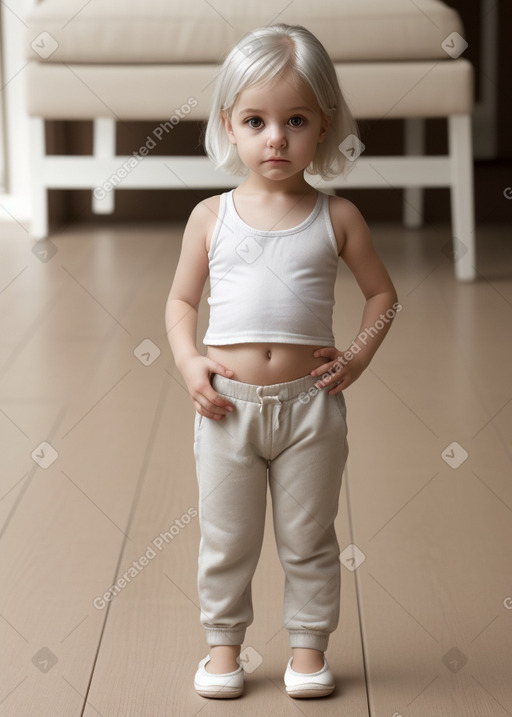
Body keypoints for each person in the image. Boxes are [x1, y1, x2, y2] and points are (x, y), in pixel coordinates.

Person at [165, 23, 399, 700]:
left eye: (296, 120)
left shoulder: (338, 217)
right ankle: (223, 649)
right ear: (228, 127)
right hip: (225, 408)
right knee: (226, 538)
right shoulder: (210, 217)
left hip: (310, 409)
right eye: (256, 120)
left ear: (323, 126)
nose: (276, 138)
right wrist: (189, 364)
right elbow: (181, 302)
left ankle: (307, 649)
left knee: (309, 535)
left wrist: (357, 355)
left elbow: (382, 294)